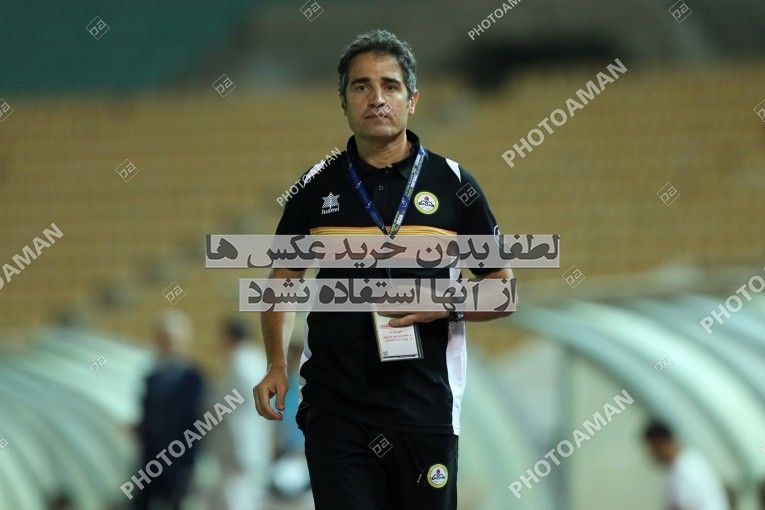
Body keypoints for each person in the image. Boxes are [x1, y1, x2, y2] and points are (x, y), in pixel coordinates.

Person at [253, 29, 514, 510]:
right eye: (361, 86)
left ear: (412, 100)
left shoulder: (454, 184)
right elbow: (283, 282)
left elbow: (503, 291)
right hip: (336, 407)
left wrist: (442, 305)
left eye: (390, 86)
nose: (376, 98)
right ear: (344, 101)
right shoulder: (316, 186)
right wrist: (275, 365)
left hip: (425, 405)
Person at [134, 311, 205, 510]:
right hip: (151, 459)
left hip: (179, 459)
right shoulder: (152, 377)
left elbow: (196, 421)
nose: (167, 345)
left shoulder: (192, 379)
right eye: (163, 339)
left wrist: (188, 462)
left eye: (172, 340)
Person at [207, 318, 274, 510]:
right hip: (255, 435)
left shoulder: (239, 360)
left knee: (236, 493)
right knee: (247, 492)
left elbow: (233, 399)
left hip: (237, 438)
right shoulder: (257, 358)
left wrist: (212, 416)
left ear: (230, 337)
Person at [643, 420, 731, 510]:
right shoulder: (692, 460)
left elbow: (688, 506)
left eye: (652, 448)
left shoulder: (684, 471)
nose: (651, 454)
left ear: (662, 443)